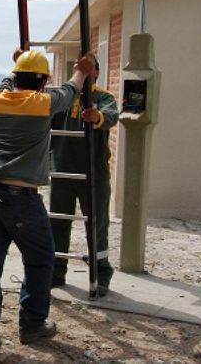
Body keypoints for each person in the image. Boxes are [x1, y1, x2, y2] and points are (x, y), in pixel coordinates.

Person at [0, 49, 96, 363]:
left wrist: (18, 64)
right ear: (41, 83)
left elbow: (6, 82)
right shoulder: (42, 103)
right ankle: (32, 324)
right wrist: (83, 69)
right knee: (40, 260)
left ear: (15, 77)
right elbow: (70, 90)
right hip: (20, 199)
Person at [49, 57, 117, 295]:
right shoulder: (64, 98)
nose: (85, 72)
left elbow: (111, 115)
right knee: (58, 222)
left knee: (96, 225)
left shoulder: (103, 97)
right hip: (61, 169)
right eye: (80, 68)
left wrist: (96, 117)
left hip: (92, 173)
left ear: (97, 72)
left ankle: (101, 275)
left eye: (89, 68)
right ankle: (56, 272)